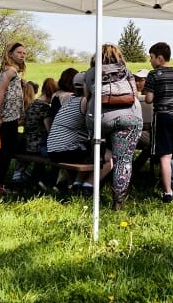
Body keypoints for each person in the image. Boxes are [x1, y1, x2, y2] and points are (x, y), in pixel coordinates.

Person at [82, 44, 142, 210]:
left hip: (100, 119)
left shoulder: (91, 73)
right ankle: (118, 203)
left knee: (99, 150)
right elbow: (135, 94)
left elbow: (87, 97)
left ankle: (88, 182)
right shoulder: (127, 71)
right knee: (123, 159)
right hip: (129, 117)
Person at [143, 41, 173, 202]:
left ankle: (168, 191)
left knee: (165, 156)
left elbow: (149, 99)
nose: (150, 61)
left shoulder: (153, 75)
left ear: (160, 58)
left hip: (162, 116)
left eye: (152, 57)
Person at [0, 42, 26, 195]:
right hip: (8, 117)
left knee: (0, 150)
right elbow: (0, 93)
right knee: (5, 151)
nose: (22, 55)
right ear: (10, 54)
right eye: (19, 53)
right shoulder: (11, 70)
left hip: (11, 115)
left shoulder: (12, 72)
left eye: (24, 53)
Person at [46, 73, 98, 193]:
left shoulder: (70, 100)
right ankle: (84, 186)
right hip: (64, 151)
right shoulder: (84, 101)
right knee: (101, 155)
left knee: (90, 151)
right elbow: (92, 126)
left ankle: (73, 184)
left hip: (53, 150)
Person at [18, 77, 57, 189]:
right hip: (38, 146)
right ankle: (50, 181)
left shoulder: (33, 104)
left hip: (27, 143)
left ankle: (37, 179)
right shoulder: (45, 108)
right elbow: (50, 130)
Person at [131, 68, 155, 172]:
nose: (137, 83)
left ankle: (134, 170)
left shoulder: (153, 99)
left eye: (140, 80)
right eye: (135, 79)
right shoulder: (135, 98)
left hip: (151, 133)